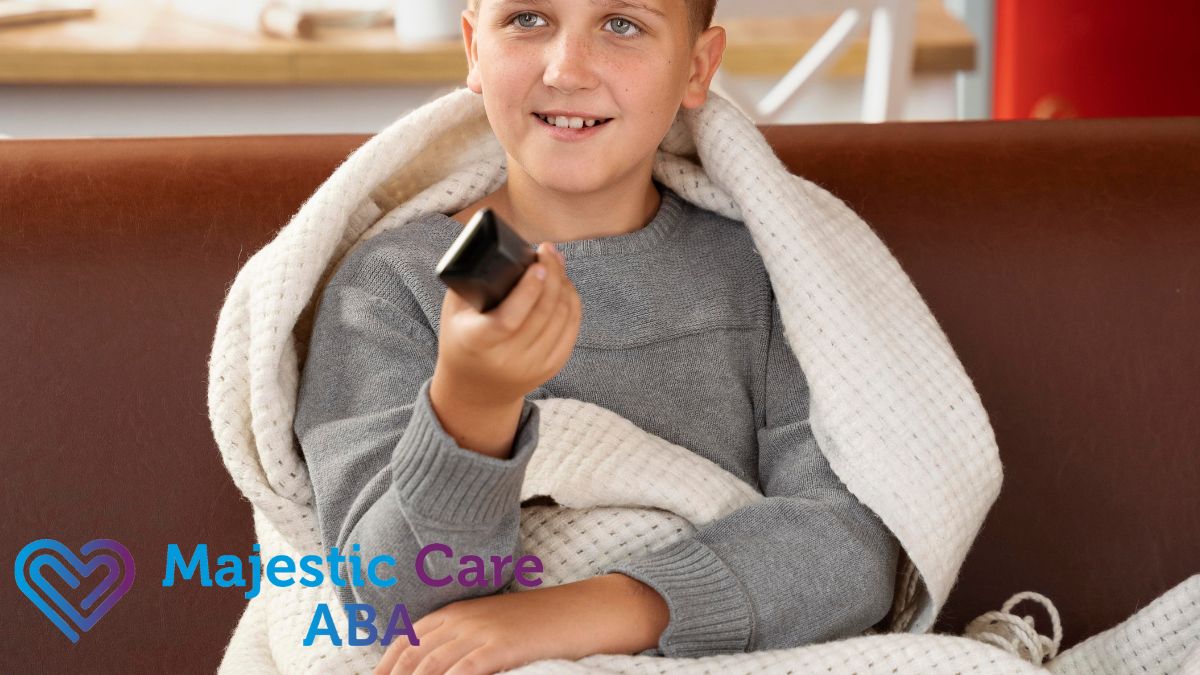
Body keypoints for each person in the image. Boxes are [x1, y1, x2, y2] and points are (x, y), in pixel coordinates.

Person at [292, 1, 901, 673]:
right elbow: (389, 602)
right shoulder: (393, 285)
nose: (567, 69)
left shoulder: (769, 276)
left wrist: (597, 610)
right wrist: (472, 404)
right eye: (528, 18)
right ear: (473, 48)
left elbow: (851, 546)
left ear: (697, 68)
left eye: (622, 24)